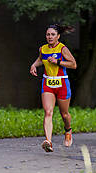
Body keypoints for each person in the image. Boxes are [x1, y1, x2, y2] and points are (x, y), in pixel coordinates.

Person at [30, 24, 77, 152]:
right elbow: (41, 59)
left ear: (58, 36)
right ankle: (48, 142)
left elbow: (73, 64)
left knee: (64, 114)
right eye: (48, 34)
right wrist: (34, 65)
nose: (49, 37)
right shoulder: (43, 49)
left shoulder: (63, 49)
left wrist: (57, 62)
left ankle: (68, 131)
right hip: (47, 83)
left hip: (62, 83)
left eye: (52, 34)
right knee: (48, 112)